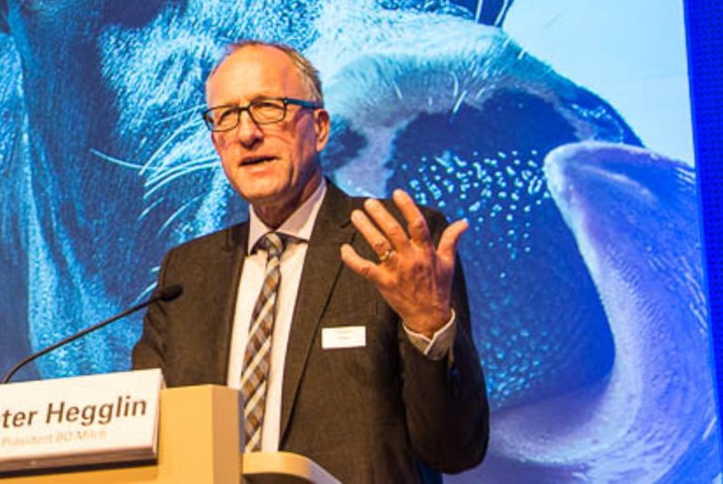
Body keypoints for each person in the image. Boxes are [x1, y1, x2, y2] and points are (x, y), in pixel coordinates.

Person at [132, 41, 488, 483]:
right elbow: (140, 440)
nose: (247, 133)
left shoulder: (392, 246)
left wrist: (428, 326)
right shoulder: (186, 275)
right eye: (227, 116)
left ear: (319, 128)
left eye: (268, 108)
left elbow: (455, 449)